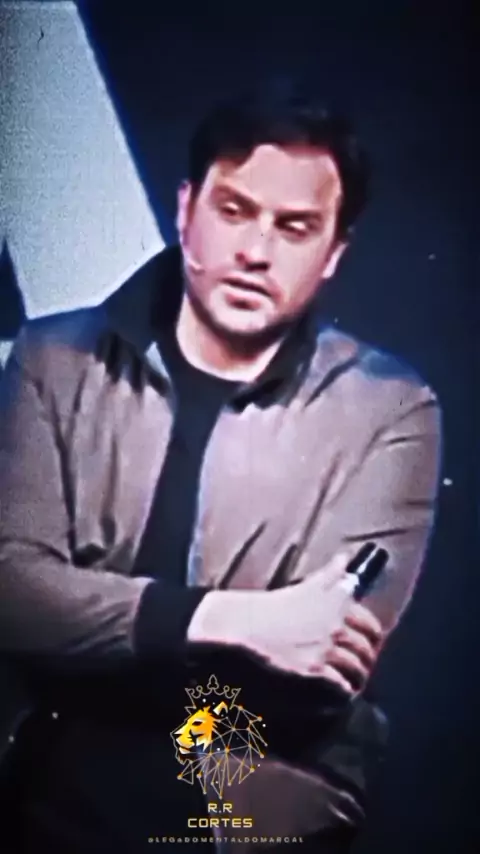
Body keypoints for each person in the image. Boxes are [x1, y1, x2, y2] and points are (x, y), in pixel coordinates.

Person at [0, 79, 441, 853]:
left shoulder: (390, 408)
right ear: (186, 210)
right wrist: (240, 621)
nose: (256, 252)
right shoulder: (53, 359)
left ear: (334, 253)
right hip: (50, 773)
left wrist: (93, 622)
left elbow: (314, 674)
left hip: (250, 797)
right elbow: (12, 594)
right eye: (234, 210)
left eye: (295, 227)